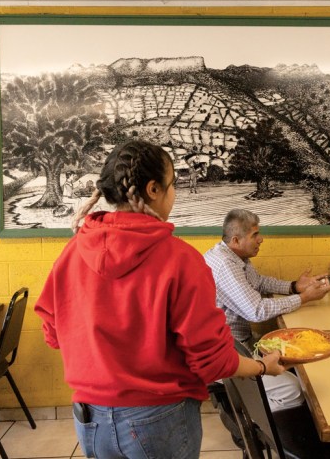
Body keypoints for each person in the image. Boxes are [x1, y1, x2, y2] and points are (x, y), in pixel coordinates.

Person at [34, 140, 284, 459]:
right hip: (158, 421)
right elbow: (212, 362)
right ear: (154, 189)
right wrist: (263, 366)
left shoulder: (71, 253)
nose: (174, 193)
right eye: (173, 185)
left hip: (89, 420)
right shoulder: (181, 260)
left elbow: (53, 335)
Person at [204, 208, 330, 411]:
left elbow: (259, 282)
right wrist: (304, 298)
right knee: (294, 389)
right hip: (226, 354)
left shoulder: (234, 256)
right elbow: (256, 310)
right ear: (236, 240)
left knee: (295, 356)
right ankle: (249, 416)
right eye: (255, 235)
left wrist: (293, 287)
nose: (261, 239)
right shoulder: (224, 266)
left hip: (239, 343)